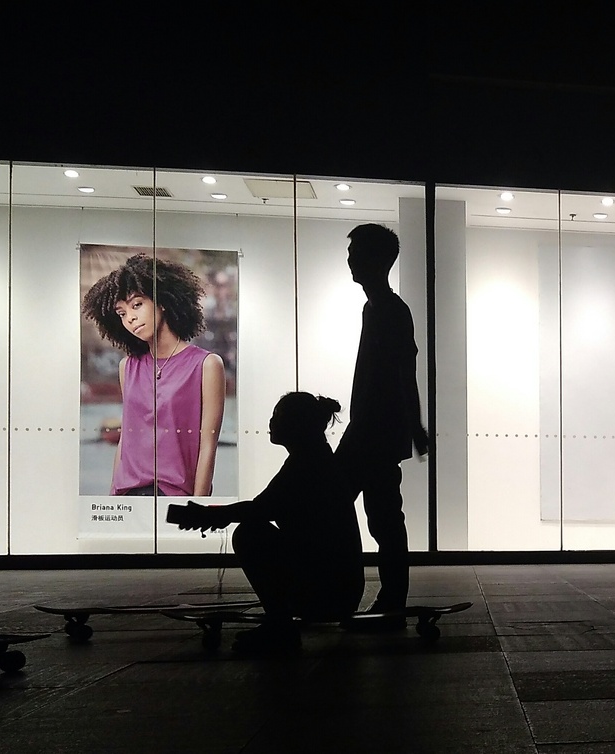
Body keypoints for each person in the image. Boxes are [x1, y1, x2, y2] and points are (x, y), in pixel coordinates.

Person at [174, 392, 364, 654]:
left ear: (298, 424)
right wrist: (216, 515)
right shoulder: (315, 459)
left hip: (326, 594)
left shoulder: (307, 463)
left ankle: (281, 628)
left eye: (279, 415)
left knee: (249, 535)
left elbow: (262, 508)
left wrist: (213, 516)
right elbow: (265, 506)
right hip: (339, 591)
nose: (272, 421)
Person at [335, 223, 428, 616]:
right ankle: (382, 598)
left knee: (378, 517)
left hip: (374, 434)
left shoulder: (389, 310)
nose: (350, 259)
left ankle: (387, 600)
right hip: (370, 432)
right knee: (375, 515)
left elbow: (403, 372)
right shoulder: (376, 308)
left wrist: (413, 427)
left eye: (356, 252)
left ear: (377, 260)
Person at [82, 253, 225, 497]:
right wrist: (112, 501)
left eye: (137, 305)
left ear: (162, 302)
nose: (130, 318)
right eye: (121, 313)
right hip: (128, 496)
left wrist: (197, 507)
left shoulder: (206, 365)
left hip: (176, 496)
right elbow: (126, 440)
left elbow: (208, 446)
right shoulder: (128, 367)